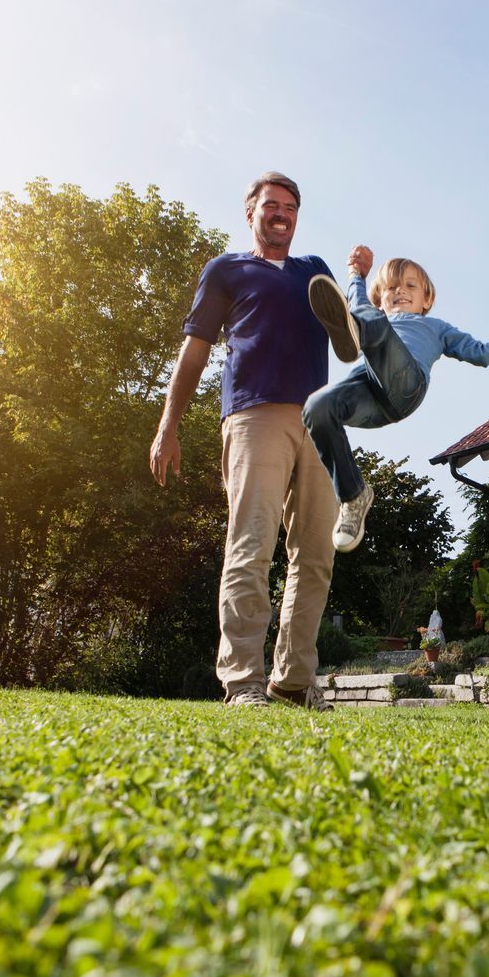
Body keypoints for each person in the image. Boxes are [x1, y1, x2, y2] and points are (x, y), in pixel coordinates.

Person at [148, 171, 338, 710]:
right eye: (271, 205)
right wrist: (169, 424)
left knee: (317, 554)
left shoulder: (314, 272)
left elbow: (353, 332)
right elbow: (195, 351)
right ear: (250, 213)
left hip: (320, 420)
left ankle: (294, 682)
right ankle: (243, 682)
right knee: (253, 544)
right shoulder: (227, 270)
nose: (282, 214)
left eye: (291, 207)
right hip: (255, 416)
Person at [304, 250, 489, 551]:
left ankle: (357, 329)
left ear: (426, 299)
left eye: (410, 286)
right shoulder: (376, 314)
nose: (399, 291)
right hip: (367, 393)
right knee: (316, 407)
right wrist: (356, 274)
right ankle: (352, 495)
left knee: (370, 322)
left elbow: (483, 353)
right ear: (380, 298)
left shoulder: (437, 328)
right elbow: (365, 305)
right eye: (390, 288)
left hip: (406, 387)